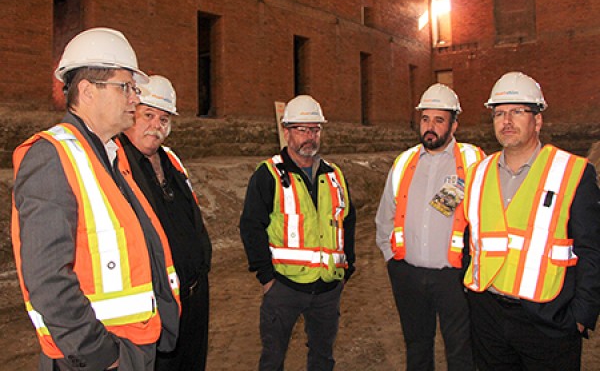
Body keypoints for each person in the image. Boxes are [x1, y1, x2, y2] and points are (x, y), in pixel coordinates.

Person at [11, 28, 180, 371]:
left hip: (132, 344)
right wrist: (99, 354)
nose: (135, 99)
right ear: (87, 91)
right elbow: (47, 279)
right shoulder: (53, 156)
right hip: (99, 356)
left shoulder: (108, 155)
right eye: (127, 88)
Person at [463, 71, 600, 370]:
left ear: (537, 120)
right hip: (488, 316)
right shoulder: (477, 174)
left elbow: (592, 250)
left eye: (517, 112)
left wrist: (581, 317)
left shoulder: (573, 173)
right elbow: (470, 240)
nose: (507, 120)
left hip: (548, 320)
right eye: (499, 113)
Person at [239, 95, 356, 371]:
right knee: (273, 359)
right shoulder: (268, 174)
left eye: (315, 130)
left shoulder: (335, 175)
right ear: (287, 131)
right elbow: (251, 226)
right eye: (302, 129)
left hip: (327, 289)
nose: (310, 137)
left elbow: (347, 221)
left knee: (323, 359)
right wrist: (266, 277)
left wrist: (346, 268)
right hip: (284, 287)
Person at [375, 83, 483, 371]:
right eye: (425, 119)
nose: (430, 127)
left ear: (454, 123)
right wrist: (393, 261)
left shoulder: (474, 162)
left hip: (454, 279)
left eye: (439, 119)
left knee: (461, 351)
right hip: (408, 276)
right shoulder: (403, 162)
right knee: (417, 348)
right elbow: (385, 216)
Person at [117, 75, 212, 371]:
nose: (156, 126)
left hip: (194, 298)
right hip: (156, 305)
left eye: (164, 119)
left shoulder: (171, 160)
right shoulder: (115, 163)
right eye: (148, 115)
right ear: (131, 112)